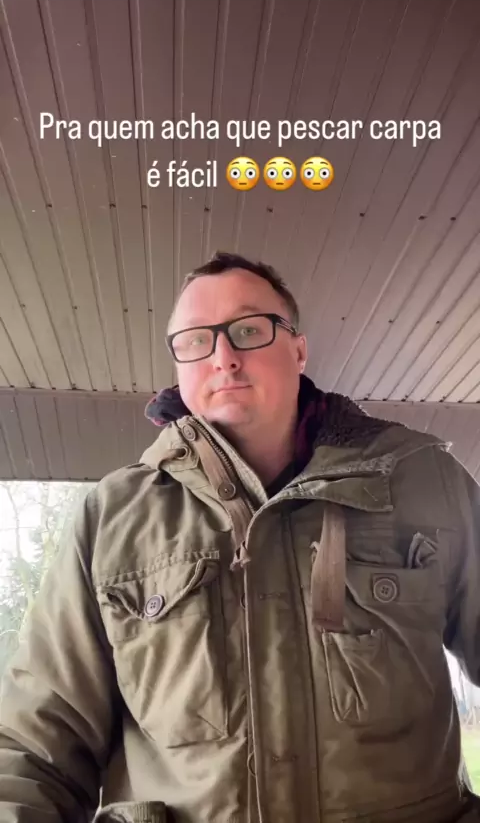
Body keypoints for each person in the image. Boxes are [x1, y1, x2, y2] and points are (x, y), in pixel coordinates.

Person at [0, 252, 480, 823]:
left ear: (298, 349)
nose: (223, 357)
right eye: (195, 340)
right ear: (178, 364)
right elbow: (37, 745)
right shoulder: (113, 517)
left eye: (249, 330)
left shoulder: (427, 482)